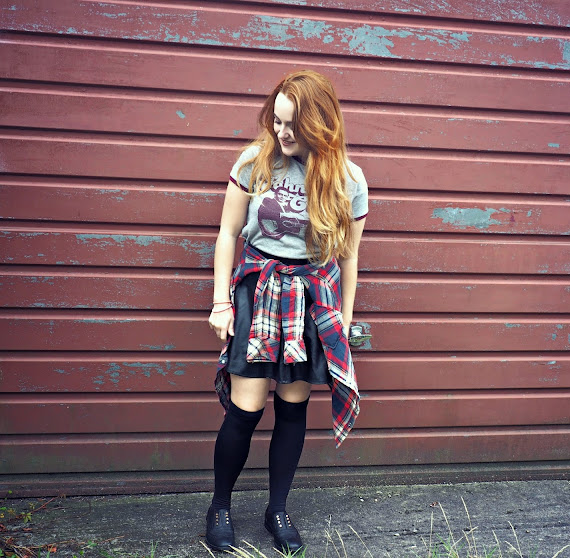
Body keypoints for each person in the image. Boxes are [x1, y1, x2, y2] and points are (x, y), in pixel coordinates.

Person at [206, 69, 368, 553]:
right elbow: (227, 234)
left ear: (320, 124)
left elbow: (348, 257)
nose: (281, 133)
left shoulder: (349, 180)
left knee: (293, 409)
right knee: (245, 410)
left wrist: (343, 320)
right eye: (276, 121)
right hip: (258, 290)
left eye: (292, 125)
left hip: (310, 298)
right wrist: (221, 302)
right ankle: (219, 507)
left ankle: (277, 509)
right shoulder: (254, 161)